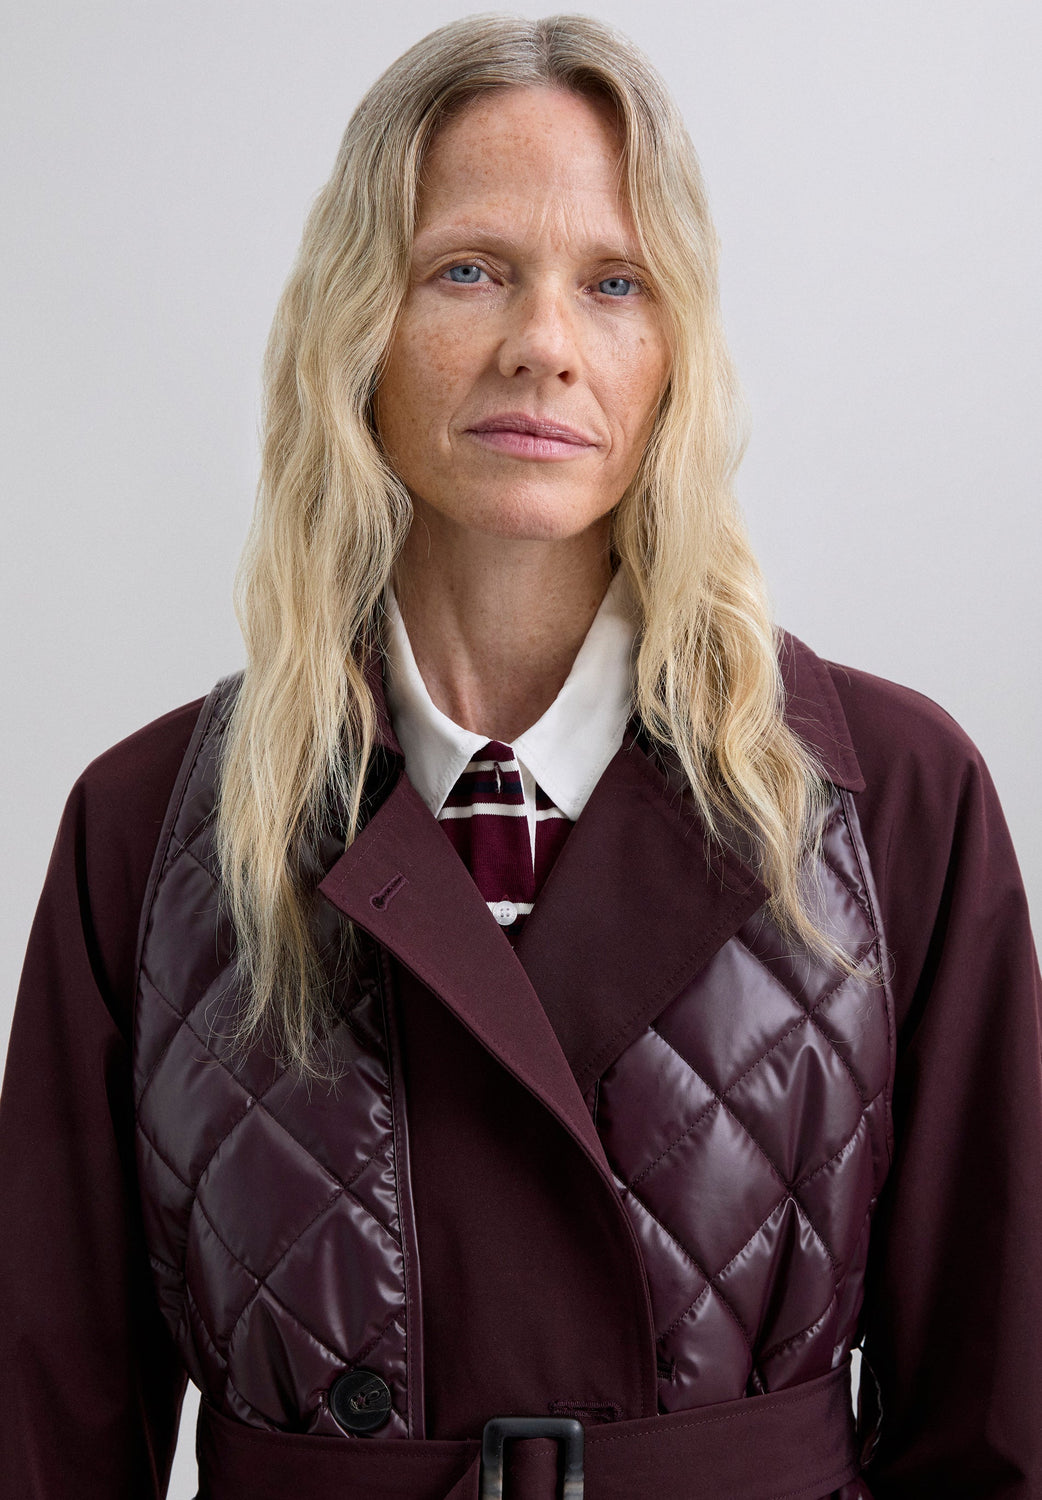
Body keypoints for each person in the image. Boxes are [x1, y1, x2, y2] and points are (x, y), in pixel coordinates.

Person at [2, 13, 1040, 1499]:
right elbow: (42, 1429)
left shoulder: (890, 800)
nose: (543, 345)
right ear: (357, 325)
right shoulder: (153, 829)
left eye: (614, 283)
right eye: (468, 270)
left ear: (675, 350)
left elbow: (995, 1424)